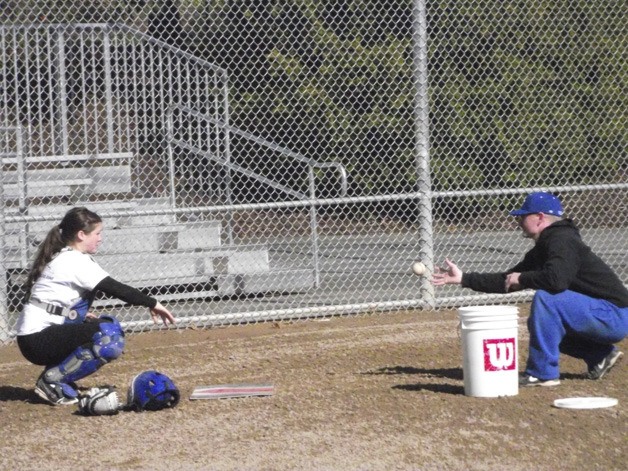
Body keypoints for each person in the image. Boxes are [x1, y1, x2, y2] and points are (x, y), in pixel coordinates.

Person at [433, 192, 628, 387]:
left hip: (614, 315)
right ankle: (600, 355)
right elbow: (508, 280)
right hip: (604, 313)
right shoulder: (546, 246)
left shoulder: (562, 240)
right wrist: (464, 278)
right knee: (540, 322)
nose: (519, 220)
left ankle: (542, 373)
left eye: (523, 215)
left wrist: (524, 278)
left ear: (540, 217)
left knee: (547, 299)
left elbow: (556, 281)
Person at [16, 207, 176, 405]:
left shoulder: (65, 256)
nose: (100, 238)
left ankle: (57, 376)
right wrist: (153, 303)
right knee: (108, 335)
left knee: (102, 324)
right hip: (37, 340)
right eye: (97, 233)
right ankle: (52, 381)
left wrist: (77, 316)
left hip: (34, 337)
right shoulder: (74, 260)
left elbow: (52, 302)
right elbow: (115, 288)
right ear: (81, 234)